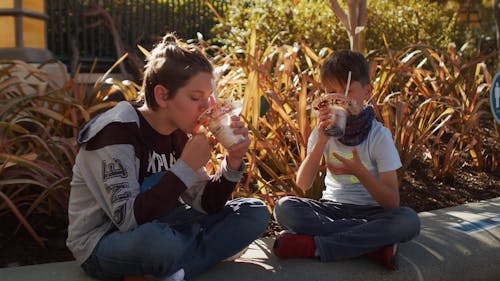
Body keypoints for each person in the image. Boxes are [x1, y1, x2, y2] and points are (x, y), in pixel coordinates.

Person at [66, 33, 269, 281]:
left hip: (165, 224)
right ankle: (193, 252)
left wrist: (233, 160)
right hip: (105, 242)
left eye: (209, 98)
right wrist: (185, 167)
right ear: (162, 95)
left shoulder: (179, 132)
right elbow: (129, 220)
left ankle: (177, 267)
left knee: (253, 212)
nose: (207, 108)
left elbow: (205, 204)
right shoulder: (115, 131)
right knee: (159, 243)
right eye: (196, 98)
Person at [272, 50, 420, 270]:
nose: (340, 99)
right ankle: (373, 245)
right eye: (332, 92)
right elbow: (303, 183)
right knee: (284, 208)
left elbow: (391, 202)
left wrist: (360, 172)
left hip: (373, 212)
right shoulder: (322, 131)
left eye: (348, 91)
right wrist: (321, 141)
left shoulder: (378, 136)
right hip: (332, 209)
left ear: (367, 91)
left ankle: (314, 246)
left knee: (408, 220)